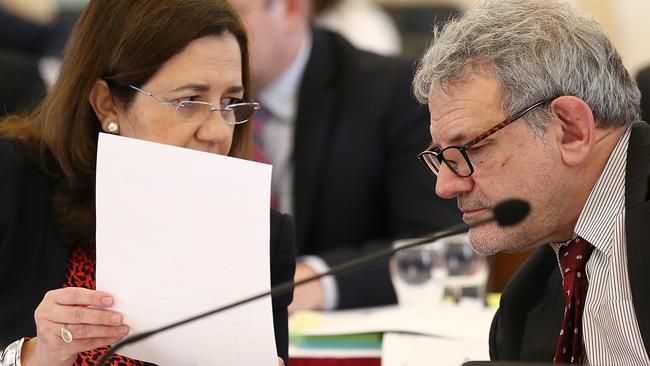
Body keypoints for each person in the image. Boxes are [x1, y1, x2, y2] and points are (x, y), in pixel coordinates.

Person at [0, 0, 295, 365]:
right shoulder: (13, 179)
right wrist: (34, 357)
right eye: (188, 100)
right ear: (107, 103)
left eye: (230, 101)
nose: (219, 131)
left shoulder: (263, 237)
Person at [413, 0, 650, 364]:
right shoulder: (522, 306)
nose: (445, 186)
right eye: (441, 156)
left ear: (570, 130)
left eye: (472, 148)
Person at [229, 0, 460, 311]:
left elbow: (439, 247)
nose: (212, 34)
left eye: (230, 16)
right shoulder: (182, 101)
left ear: (292, 8)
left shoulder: (392, 92)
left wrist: (305, 283)